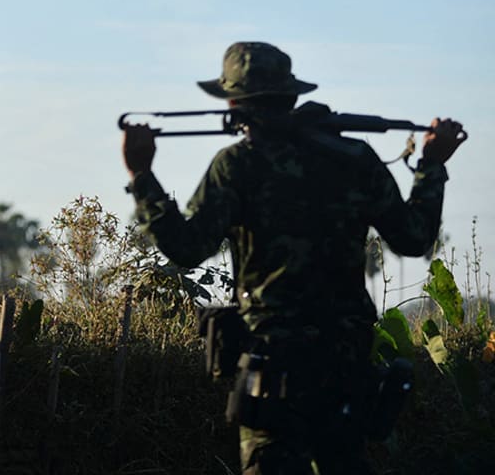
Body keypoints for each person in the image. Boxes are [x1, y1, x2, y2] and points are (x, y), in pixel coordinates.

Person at [121, 41, 466, 475]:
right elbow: (414, 239)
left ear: (233, 101)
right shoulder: (355, 159)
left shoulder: (237, 166)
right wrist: (430, 164)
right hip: (346, 365)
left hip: (273, 366)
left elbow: (188, 248)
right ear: (291, 95)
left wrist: (141, 176)